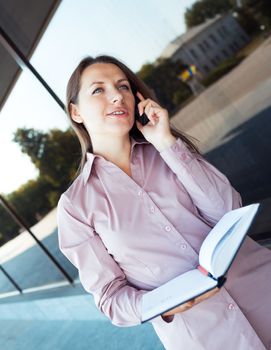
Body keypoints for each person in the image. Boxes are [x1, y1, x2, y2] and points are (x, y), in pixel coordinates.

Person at [57, 55, 271, 350]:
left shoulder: (167, 150)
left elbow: (228, 211)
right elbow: (110, 298)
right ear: (76, 112)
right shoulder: (75, 207)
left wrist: (166, 142)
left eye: (123, 87)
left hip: (262, 290)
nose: (118, 95)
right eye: (99, 90)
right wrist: (164, 305)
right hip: (206, 338)